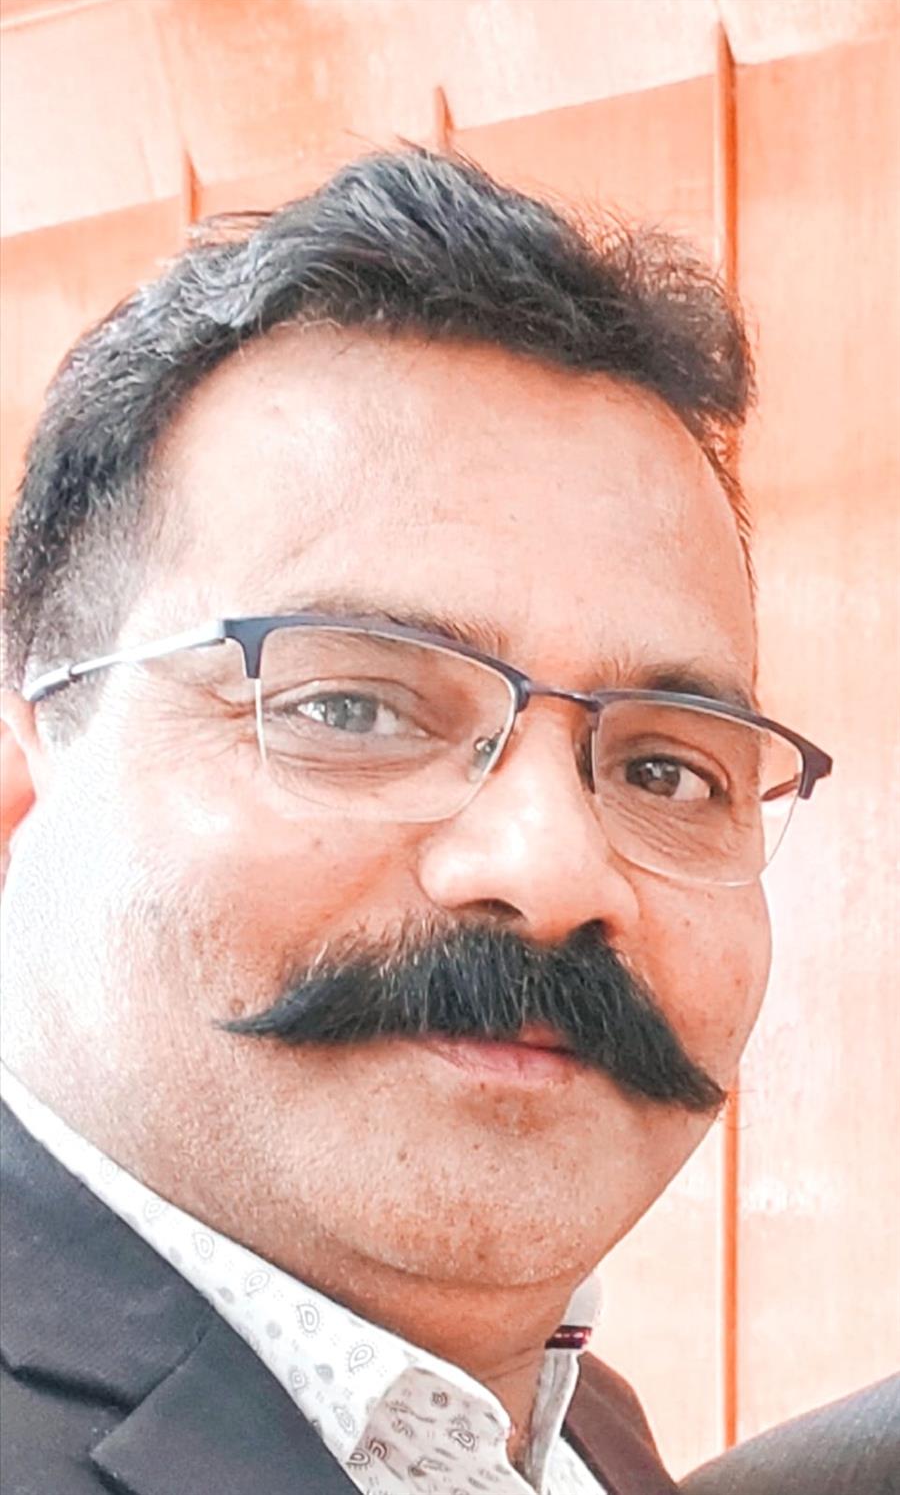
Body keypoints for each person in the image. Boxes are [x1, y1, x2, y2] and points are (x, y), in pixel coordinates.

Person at [0, 148, 835, 1494]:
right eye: (352, 708)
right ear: (25, 775)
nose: (551, 865)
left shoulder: (569, 1428)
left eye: (666, 770)